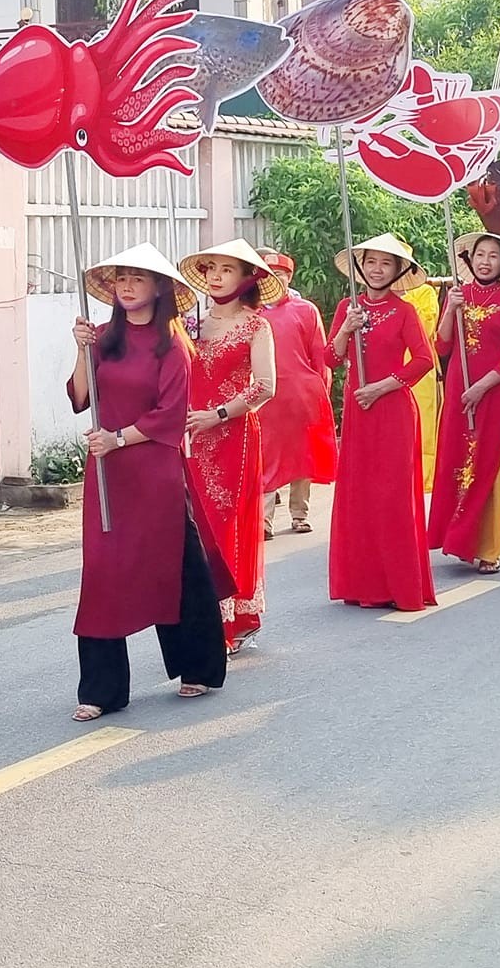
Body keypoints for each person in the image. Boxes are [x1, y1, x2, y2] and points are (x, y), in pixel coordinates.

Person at [69, 246, 228, 720]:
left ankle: (196, 665)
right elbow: (80, 396)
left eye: (138, 279)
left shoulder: (175, 346)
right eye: (122, 278)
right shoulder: (100, 338)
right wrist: (81, 351)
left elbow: (170, 415)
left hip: (153, 468)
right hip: (106, 471)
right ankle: (102, 689)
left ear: (160, 289)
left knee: (172, 566)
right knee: (101, 571)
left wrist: (118, 439)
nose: (127, 286)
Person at [179, 240, 279, 654]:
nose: (216, 276)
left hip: (232, 437)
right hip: (189, 437)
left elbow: (265, 386)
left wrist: (218, 414)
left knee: (224, 526)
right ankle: (201, 617)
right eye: (211, 268)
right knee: (194, 529)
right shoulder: (189, 324)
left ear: (247, 279)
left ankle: (230, 619)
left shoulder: (257, 326)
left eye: (227, 269)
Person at [327, 234, 436, 612]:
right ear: (361, 266)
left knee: (391, 496)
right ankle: (363, 585)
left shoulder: (404, 311)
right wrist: (345, 330)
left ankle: (398, 585)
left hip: (392, 410)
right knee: (359, 495)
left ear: (398, 270)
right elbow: (330, 358)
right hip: (358, 412)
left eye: (385, 263)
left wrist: (382, 387)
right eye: (371, 261)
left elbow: (424, 360)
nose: (376, 269)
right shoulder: (347, 307)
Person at [427, 230, 500, 573]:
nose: (485, 262)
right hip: (458, 388)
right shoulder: (458, 295)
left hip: (494, 392)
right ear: (470, 260)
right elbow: (442, 347)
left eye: (493, 257)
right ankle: (458, 538)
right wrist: (449, 310)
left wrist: (482, 387)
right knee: (455, 462)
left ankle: (489, 547)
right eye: (480, 255)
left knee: (491, 465)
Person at [257, 250, 338, 537]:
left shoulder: (305, 310)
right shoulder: (252, 312)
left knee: (302, 455)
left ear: (289, 276)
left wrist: (321, 393)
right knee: (264, 456)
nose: (274, 281)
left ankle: (299, 514)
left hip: (302, 394)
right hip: (264, 397)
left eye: (279, 275)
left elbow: (320, 355)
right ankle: (263, 520)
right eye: (267, 276)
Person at [403, 274, 444, 492]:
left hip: (420, 371)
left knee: (424, 424)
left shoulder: (424, 292)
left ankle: (425, 477)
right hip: (388, 370)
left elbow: (427, 327)